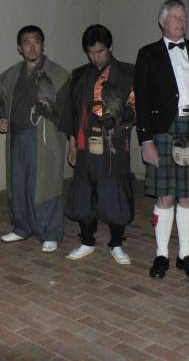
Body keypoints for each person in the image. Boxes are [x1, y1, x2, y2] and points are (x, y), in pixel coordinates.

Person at [134, 0, 189, 279]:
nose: (182, 22)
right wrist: (145, 140)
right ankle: (161, 255)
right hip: (164, 129)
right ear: (162, 21)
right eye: (176, 17)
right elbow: (142, 100)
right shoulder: (148, 54)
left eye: (184, 17)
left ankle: (185, 255)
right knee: (165, 195)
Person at [59, 24, 135, 264]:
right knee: (84, 193)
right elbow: (71, 113)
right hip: (85, 145)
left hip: (114, 145)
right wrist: (72, 144)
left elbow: (135, 108)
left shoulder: (128, 74)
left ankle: (116, 244)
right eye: (91, 53)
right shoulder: (79, 75)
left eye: (100, 51)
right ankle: (87, 241)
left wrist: (120, 118)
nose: (95, 57)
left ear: (110, 48)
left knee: (115, 193)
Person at [0, 25, 69, 253]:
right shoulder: (10, 74)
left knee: (44, 185)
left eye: (36, 42)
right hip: (17, 137)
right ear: (19, 48)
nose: (32, 47)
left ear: (42, 45)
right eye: (26, 43)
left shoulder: (58, 74)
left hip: (45, 139)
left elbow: (67, 111)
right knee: (18, 183)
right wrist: (1, 117)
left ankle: (50, 233)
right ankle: (21, 227)